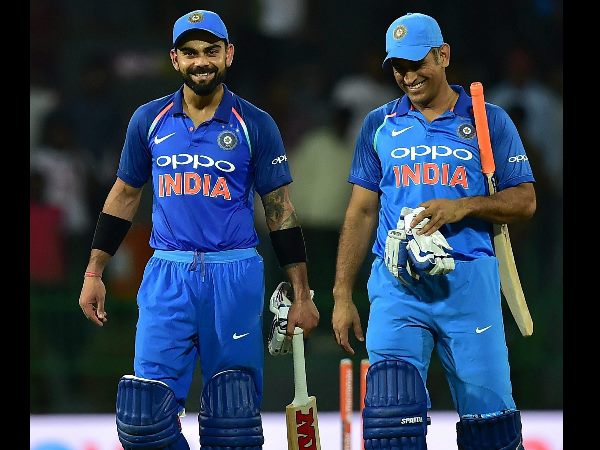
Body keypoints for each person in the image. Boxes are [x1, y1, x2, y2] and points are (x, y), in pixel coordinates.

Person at [77, 10, 319, 450]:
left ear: (229, 54)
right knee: (142, 421)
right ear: (175, 59)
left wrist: (301, 294)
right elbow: (124, 196)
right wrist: (95, 271)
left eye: (211, 51)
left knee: (233, 422)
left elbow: (280, 211)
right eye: (190, 53)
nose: (201, 61)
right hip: (168, 275)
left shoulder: (255, 123)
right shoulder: (148, 119)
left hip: (234, 275)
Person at [331, 12, 535, 450]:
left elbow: (525, 200)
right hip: (397, 287)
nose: (408, 76)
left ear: (443, 55)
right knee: (391, 425)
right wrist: (342, 294)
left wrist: (463, 206)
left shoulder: (488, 120)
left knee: (492, 431)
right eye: (398, 68)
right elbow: (361, 212)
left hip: (469, 286)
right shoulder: (378, 124)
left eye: (417, 63)